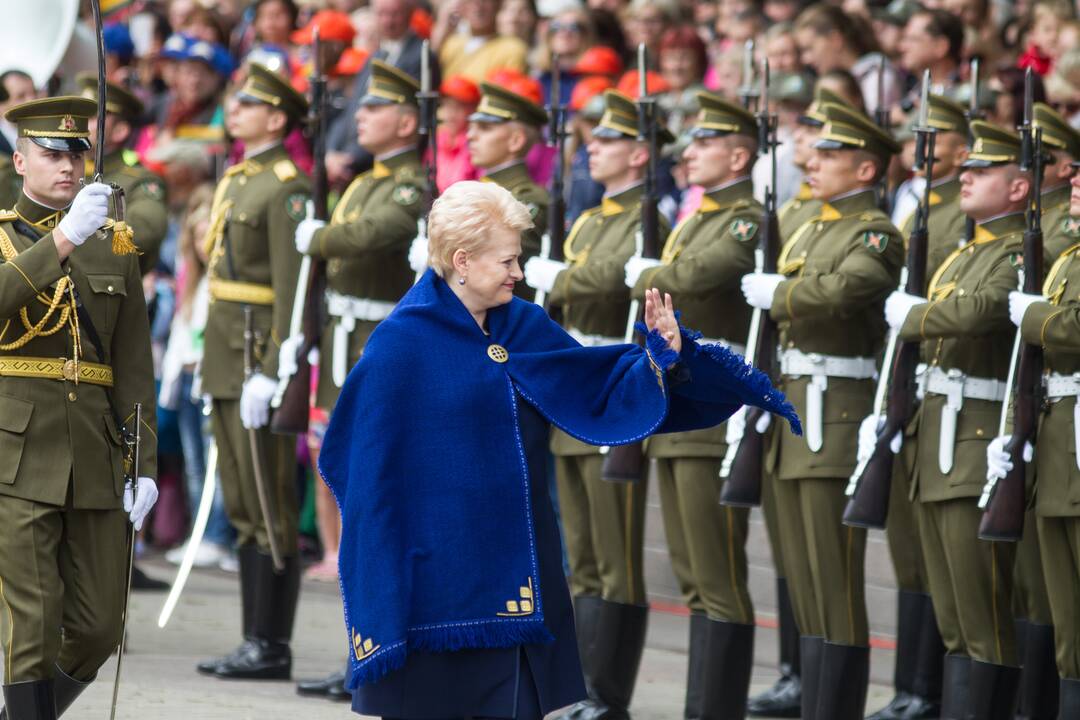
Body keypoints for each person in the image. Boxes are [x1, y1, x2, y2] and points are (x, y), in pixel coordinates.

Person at [319, 179, 800, 719]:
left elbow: (594, 384)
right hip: (435, 573)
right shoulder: (399, 343)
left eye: (517, 259)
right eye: (506, 261)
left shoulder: (522, 323)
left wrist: (662, 357)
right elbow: (356, 462)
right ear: (461, 260)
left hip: (516, 562)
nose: (518, 273)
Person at [741, 99, 903, 719]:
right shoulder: (811, 222)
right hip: (791, 413)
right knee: (803, 580)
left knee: (833, 584)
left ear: (865, 171)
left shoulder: (874, 232)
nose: (814, 160)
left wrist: (781, 292)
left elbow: (845, 291)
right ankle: (813, 702)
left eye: (831, 154)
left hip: (832, 415)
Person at [0, 96, 158, 718]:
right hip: (17, 449)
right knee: (31, 622)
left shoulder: (114, 242)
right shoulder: (7, 236)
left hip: (93, 450)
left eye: (78, 153)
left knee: (97, 626)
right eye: (51, 153)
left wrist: (144, 461)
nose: (68, 165)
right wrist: (63, 238)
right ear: (20, 160)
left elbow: (133, 359)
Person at [521, 88, 673, 720]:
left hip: (613, 391)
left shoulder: (649, 219)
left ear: (640, 155)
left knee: (616, 557)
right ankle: (581, 689)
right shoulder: (588, 218)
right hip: (575, 390)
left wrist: (562, 278)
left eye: (607, 142)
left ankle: (610, 696)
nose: (592, 150)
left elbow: (628, 285)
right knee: (581, 554)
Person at [884, 120, 1028, 719]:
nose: (965, 177)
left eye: (983, 171)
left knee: (982, 610)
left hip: (975, 442)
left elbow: (979, 314)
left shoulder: (1019, 251)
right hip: (936, 437)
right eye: (965, 168)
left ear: (1020, 188)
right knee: (952, 614)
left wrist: (916, 315)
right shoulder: (967, 252)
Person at [626, 92, 762, 719]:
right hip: (676, 397)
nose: (692, 154)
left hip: (712, 405)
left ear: (739, 153)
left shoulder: (747, 220)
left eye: (706, 144)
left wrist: (651, 273)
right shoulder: (694, 217)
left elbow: (683, 280)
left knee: (718, 575)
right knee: (691, 573)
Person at [195, 64, 311, 682]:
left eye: (247, 105)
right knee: (243, 502)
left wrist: (276, 368)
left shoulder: (288, 187)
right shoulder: (240, 177)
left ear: (277, 118)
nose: (233, 111)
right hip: (223, 354)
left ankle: (273, 643)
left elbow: (293, 291)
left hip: (254, 356)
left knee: (269, 504)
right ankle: (253, 639)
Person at [861, 93, 971, 720]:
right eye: (912, 135)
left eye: (936, 136)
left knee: (938, 554)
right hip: (900, 378)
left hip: (940, 382)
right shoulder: (911, 203)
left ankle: (927, 690)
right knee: (909, 546)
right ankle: (910, 686)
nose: (919, 146)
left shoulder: (960, 212)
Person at [992, 158, 1080, 719]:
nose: (1074, 183)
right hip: (1056, 441)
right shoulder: (1070, 258)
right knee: (1068, 619)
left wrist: (1036, 316)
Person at [77, 74, 169, 276]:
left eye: (93, 116)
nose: (81, 121)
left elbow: (146, 232)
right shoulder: (65, 171)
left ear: (120, 131)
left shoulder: (140, 180)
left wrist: (72, 238)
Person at [466, 82, 549, 298]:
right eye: (473, 127)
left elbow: (498, 254)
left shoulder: (527, 199)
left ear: (515, 140)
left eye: (485, 128)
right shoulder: (476, 190)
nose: (470, 136)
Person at [437, 0, 529, 82]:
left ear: (498, 4)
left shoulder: (512, 49)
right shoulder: (451, 44)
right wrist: (442, 28)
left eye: (485, 0)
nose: (478, 5)